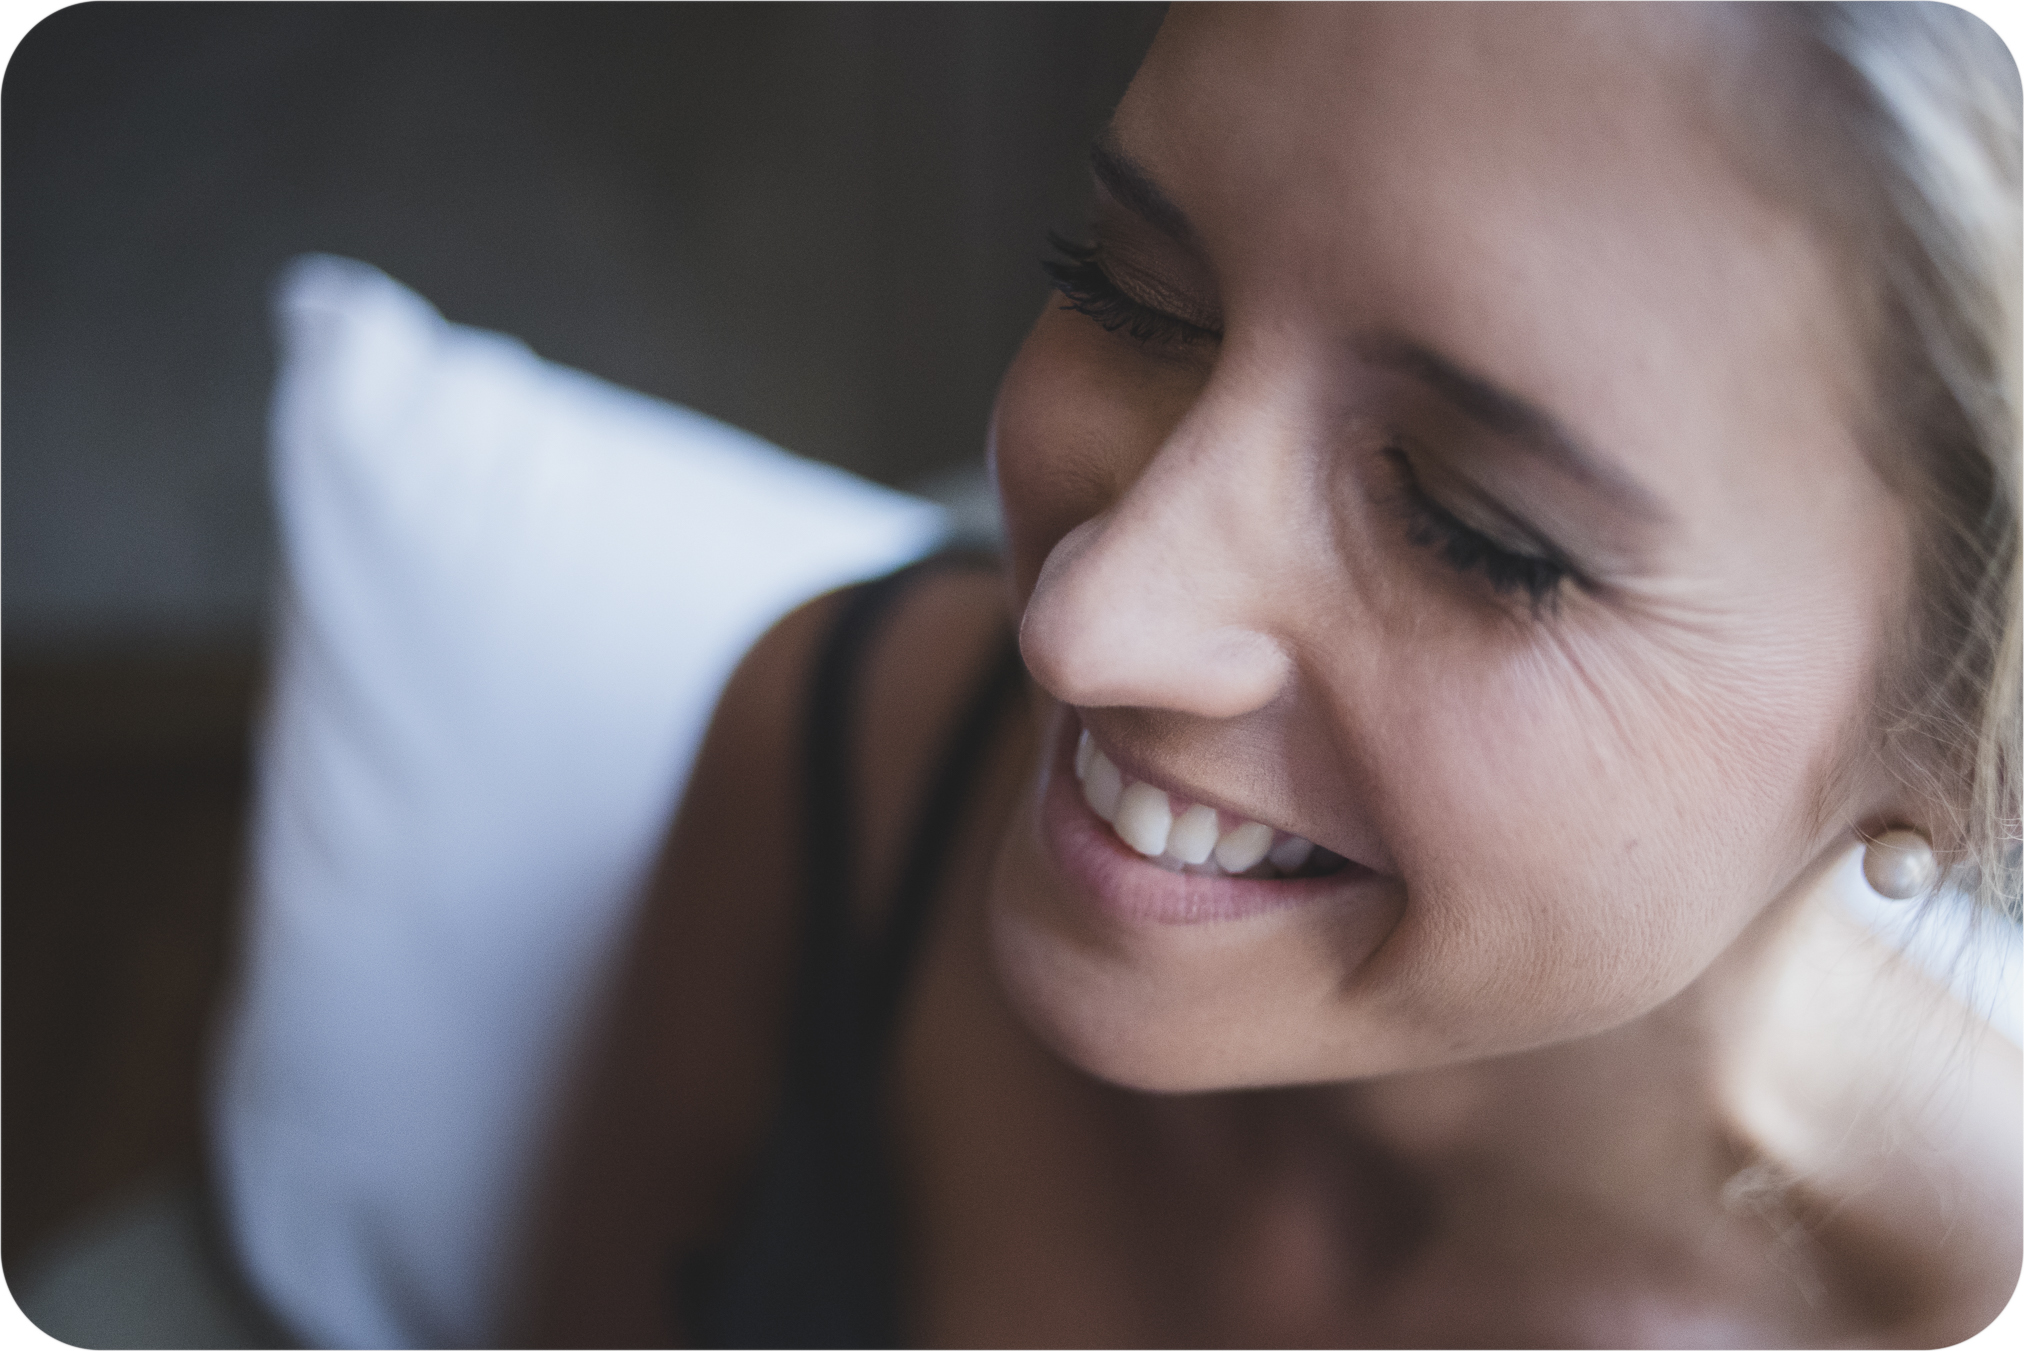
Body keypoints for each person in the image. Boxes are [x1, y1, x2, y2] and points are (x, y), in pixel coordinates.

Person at [515, 4, 2022, 1346]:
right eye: (1127, 294)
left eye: (1471, 531)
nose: (1081, 624)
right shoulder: (839, 753)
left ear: (1949, 738)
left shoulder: (1919, 1290)